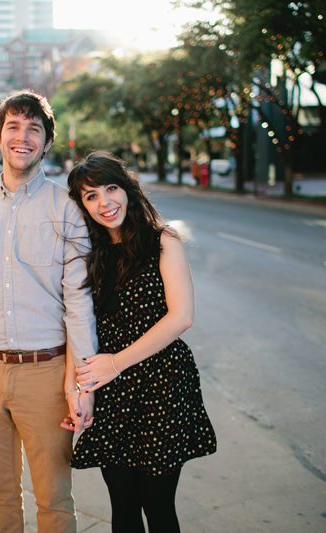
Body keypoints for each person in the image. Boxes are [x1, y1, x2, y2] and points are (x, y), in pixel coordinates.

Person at [0, 89, 97, 533]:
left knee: (53, 499)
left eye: (34, 129)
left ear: (47, 142)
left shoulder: (67, 210)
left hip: (45, 375)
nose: (22, 137)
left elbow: (79, 303)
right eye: (13, 126)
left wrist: (81, 383)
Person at [62, 151, 217, 533]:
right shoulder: (87, 253)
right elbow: (77, 324)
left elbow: (182, 317)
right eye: (91, 196)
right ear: (82, 205)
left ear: (127, 189)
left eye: (111, 188)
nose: (105, 202)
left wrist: (115, 363)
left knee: (158, 504)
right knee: (124, 506)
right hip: (112, 390)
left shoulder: (163, 240)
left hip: (162, 383)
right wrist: (75, 387)